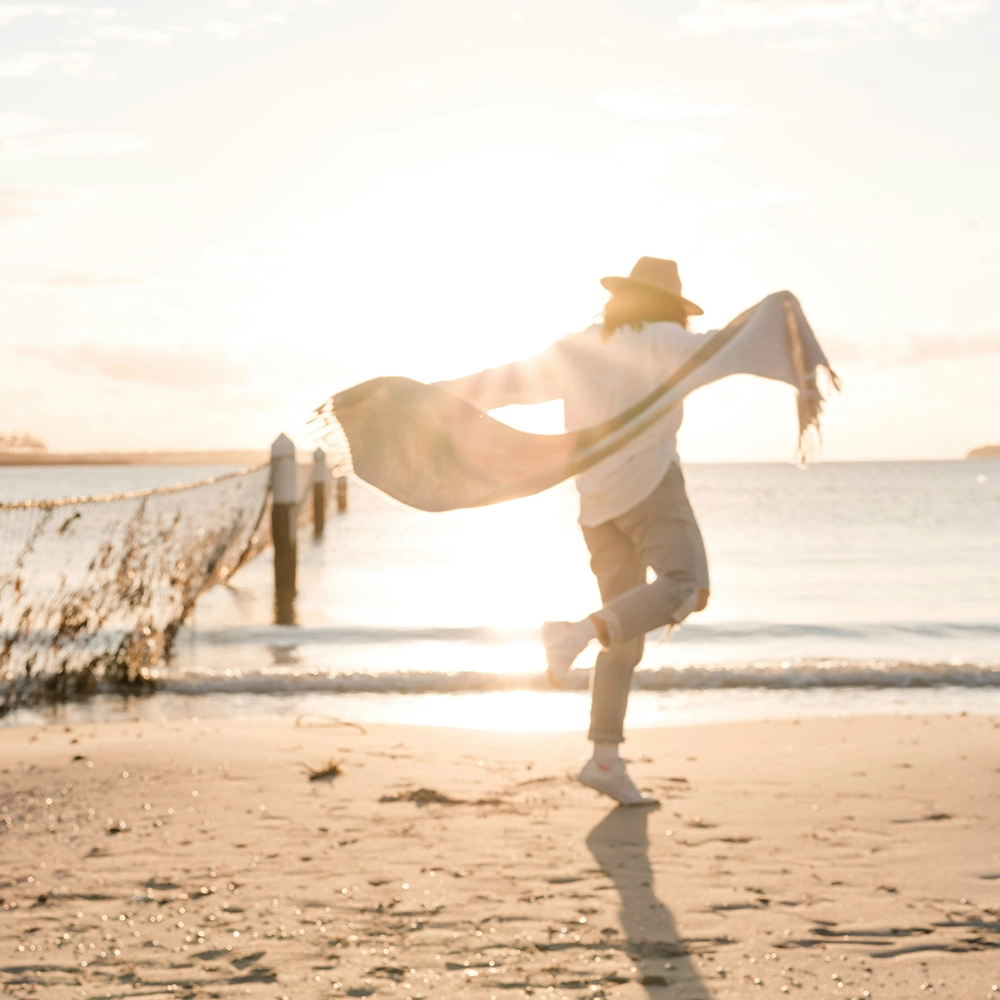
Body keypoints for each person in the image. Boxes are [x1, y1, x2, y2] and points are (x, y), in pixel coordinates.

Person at [437, 257, 711, 806]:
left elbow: (506, 384)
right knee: (687, 585)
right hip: (652, 486)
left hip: (595, 507)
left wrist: (433, 397)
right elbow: (727, 349)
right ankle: (574, 633)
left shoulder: (579, 347)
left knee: (625, 634)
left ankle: (604, 761)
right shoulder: (666, 339)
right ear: (668, 308)